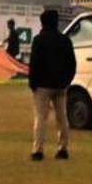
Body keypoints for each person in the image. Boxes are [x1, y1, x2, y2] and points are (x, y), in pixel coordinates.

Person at [27, 9, 76, 162]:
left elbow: (34, 64)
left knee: (40, 118)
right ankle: (62, 149)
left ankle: (38, 150)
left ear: (42, 23)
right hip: (61, 85)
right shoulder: (65, 40)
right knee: (62, 118)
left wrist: (33, 83)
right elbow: (72, 64)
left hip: (42, 86)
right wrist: (67, 81)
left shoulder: (39, 40)